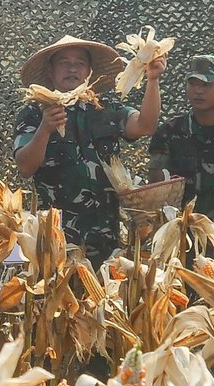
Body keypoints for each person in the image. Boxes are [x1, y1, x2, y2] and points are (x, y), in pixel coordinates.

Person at [14, 35, 167, 269]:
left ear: (89, 71)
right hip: (57, 241)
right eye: (64, 62)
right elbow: (25, 167)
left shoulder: (105, 108)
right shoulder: (34, 113)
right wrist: (45, 129)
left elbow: (145, 125)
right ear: (51, 70)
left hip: (107, 237)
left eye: (79, 63)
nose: (72, 68)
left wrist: (153, 80)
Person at [148, 54, 214, 219]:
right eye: (193, 83)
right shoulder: (169, 132)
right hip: (183, 234)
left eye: (207, 84)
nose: (198, 91)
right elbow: (156, 186)